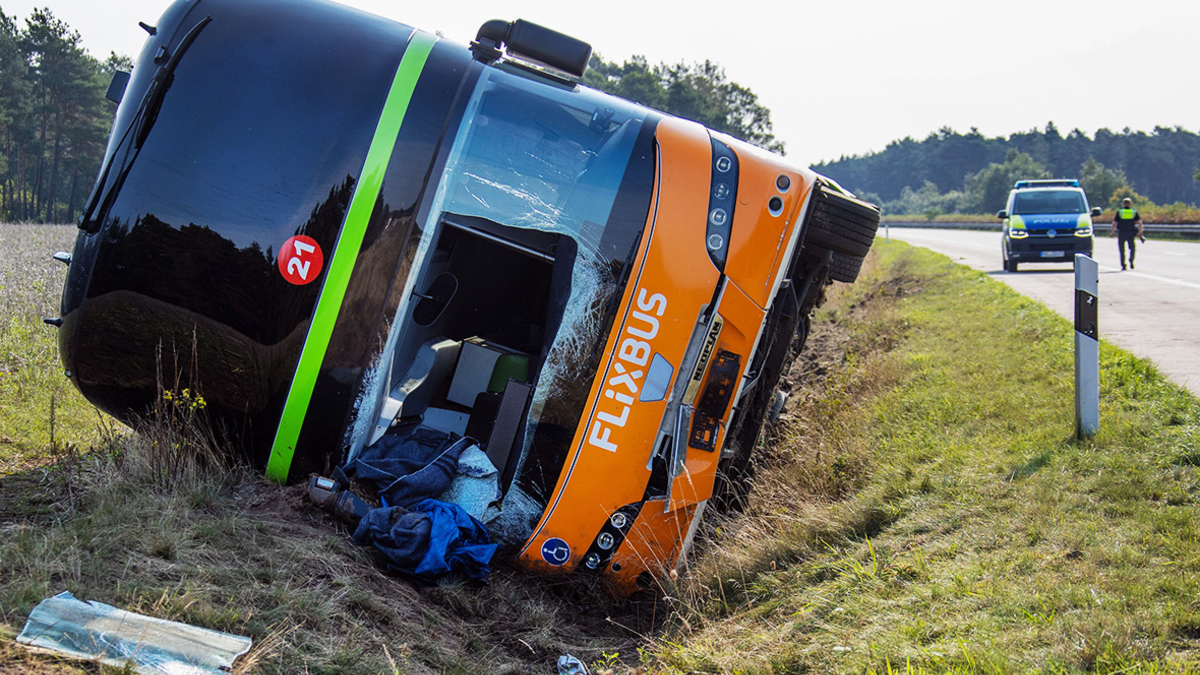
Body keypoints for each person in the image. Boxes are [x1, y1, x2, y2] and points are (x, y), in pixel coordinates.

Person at [1110, 197, 1144, 270]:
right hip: (1131, 233)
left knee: (1122, 250)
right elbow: (1140, 223)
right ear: (1130, 204)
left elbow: (1114, 223)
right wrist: (1140, 231)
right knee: (1132, 248)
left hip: (1122, 233)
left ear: (1123, 204)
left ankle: (1123, 265)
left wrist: (1112, 232)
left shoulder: (1120, 212)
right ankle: (1131, 259)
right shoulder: (1134, 212)